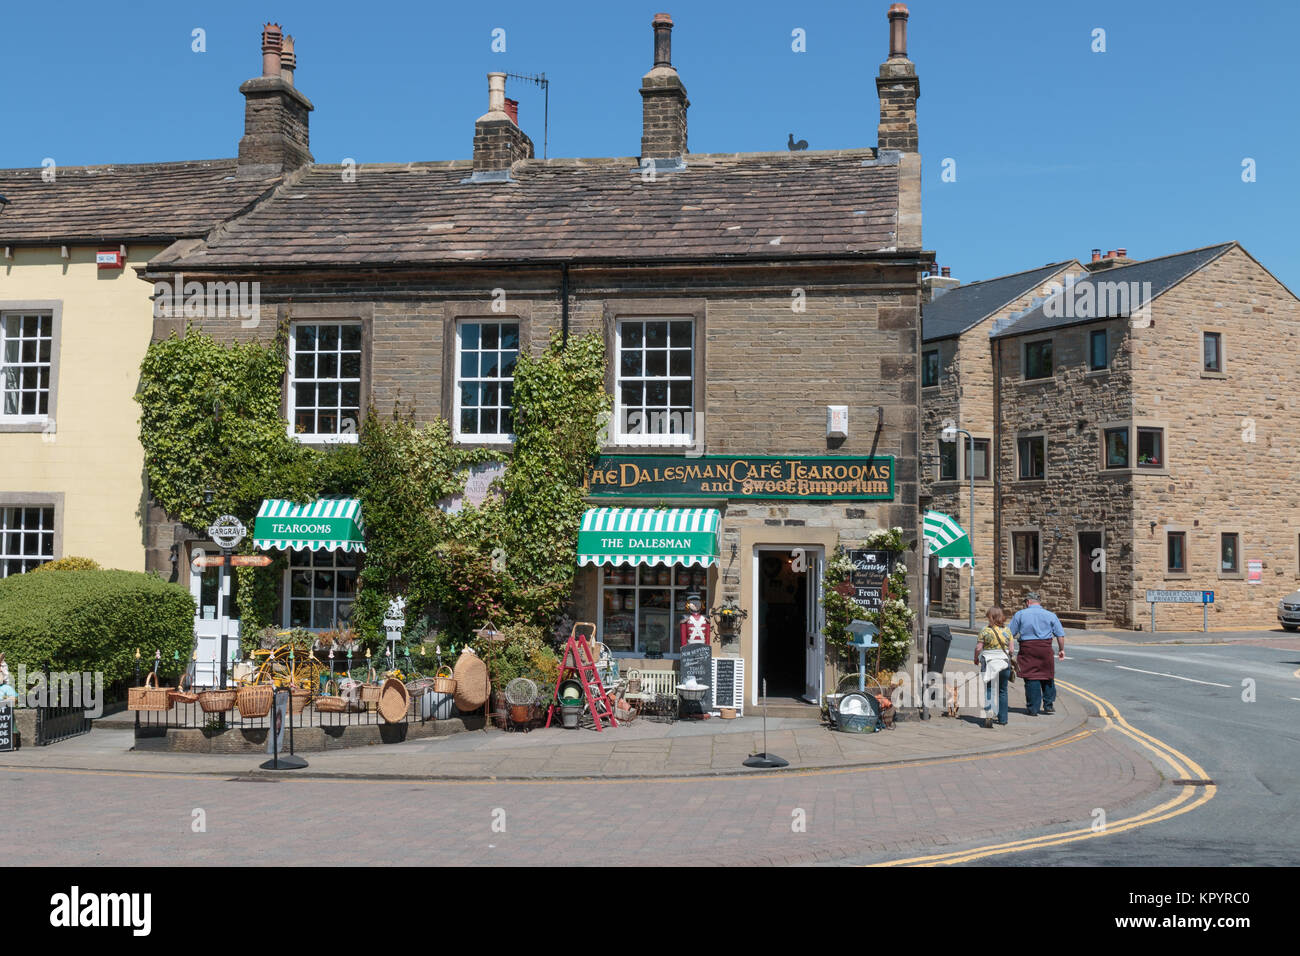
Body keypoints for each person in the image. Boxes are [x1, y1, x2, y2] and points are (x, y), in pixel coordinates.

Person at [1008, 590, 1065, 715]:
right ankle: (1049, 704)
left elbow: (1009, 633)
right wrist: (1061, 649)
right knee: (1047, 675)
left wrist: (1008, 650)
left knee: (1031, 677)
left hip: (1028, 649)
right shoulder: (1051, 615)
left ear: (1028, 602)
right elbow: (1060, 635)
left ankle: (1033, 709)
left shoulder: (1020, 614)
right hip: (1045, 649)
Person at [974, 607, 1013, 727]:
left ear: (990, 617)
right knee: (1003, 690)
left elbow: (979, 648)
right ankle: (1003, 719)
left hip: (989, 662)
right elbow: (1011, 650)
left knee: (989, 689)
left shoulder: (985, 631)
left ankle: (989, 714)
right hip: (1004, 663)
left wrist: (975, 658)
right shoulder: (1007, 631)